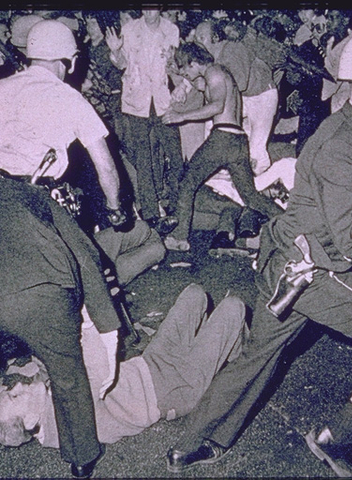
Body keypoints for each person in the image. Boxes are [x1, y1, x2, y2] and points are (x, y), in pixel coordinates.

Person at [164, 28, 352, 476]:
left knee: (256, 357)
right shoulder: (345, 144)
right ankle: (338, 436)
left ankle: (191, 443)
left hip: (290, 266)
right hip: (317, 273)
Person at [0, 284, 247, 452]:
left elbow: (49, 369)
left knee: (195, 294)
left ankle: (218, 349)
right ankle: (231, 356)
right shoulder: (69, 415)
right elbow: (97, 358)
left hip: (150, 363)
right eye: (14, 395)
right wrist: (84, 310)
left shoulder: (47, 412)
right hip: (172, 389)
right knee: (234, 306)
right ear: (31, 420)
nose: (18, 384)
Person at [0, 176, 122, 478]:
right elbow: (84, 255)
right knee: (67, 372)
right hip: (41, 290)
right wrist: (108, 326)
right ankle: (82, 455)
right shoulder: (30, 193)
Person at [0, 19, 127, 229]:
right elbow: (106, 166)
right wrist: (114, 208)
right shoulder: (71, 98)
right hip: (37, 205)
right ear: (72, 60)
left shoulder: (3, 86)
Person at [162, 41, 283, 252]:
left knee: (187, 182)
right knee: (251, 197)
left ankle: (180, 237)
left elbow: (216, 106)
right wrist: (174, 70)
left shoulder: (214, 73)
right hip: (237, 141)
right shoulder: (218, 75)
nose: (187, 77)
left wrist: (180, 117)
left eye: (186, 71)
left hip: (222, 138)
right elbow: (201, 88)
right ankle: (290, 223)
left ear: (193, 63)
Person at [105, 9, 184, 228]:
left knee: (175, 156)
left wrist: (174, 68)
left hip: (163, 101)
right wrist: (116, 51)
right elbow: (122, 65)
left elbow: (175, 67)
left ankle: (177, 206)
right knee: (144, 159)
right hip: (136, 102)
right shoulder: (129, 30)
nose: (149, 11)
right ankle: (151, 213)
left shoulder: (171, 29)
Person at [195, 19, 278, 176]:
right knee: (214, 123)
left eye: (202, 37)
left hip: (262, 96)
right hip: (245, 98)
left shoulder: (233, 49)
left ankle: (264, 184)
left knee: (256, 149)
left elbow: (240, 83)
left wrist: (210, 85)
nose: (198, 42)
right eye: (196, 38)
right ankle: (223, 169)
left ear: (215, 37)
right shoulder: (211, 58)